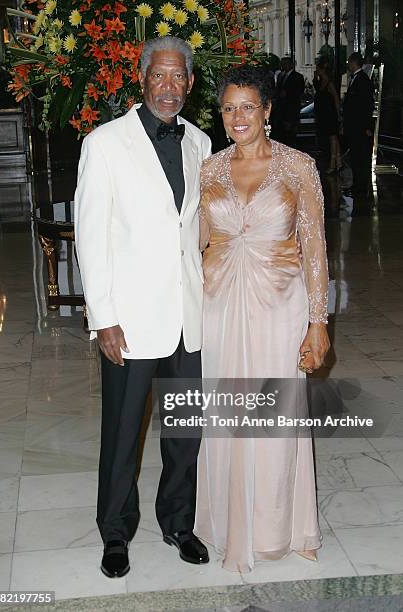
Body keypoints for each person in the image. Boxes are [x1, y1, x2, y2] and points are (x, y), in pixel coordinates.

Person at [74, 36, 211, 578]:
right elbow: (91, 236)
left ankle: (178, 521)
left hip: (188, 317)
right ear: (142, 76)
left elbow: (197, 230)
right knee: (122, 431)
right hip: (128, 320)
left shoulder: (200, 142)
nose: (169, 87)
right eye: (160, 75)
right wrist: (102, 315)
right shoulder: (105, 143)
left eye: (179, 77)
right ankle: (115, 530)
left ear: (190, 84)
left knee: (184, 429)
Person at [195, 65, 330, 573]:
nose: (237, 117)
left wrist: (318, 323)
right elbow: (196, 241)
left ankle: (283, 527)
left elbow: (315, 247)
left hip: (280, 305)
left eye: (248, 106)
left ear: (268, 110)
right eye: (229, 108)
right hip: (219, 306)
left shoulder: (299, 167)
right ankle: (231, 527)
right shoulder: (209, 169)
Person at [342, 52, 375, 196]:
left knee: (360, 157)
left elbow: (367, 105)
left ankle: (361, 187)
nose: (348, 64)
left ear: (354, 62)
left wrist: (367, 126)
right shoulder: (355, 79)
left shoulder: (363, 80)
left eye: (349, 62)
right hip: (354, 126)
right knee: (355, 157)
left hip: (360, 127)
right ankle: (356, 185)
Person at [313, 57, 342, 173]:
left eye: (317, 69)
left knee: (333, 137)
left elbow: (335, 98)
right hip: (324, 113)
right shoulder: (321, 81)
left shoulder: (329, 81)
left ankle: (333, 164)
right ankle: (338, 162)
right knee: (333, 137)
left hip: (329, 113)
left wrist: (338, 113)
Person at [273, 57, 305, 147]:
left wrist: (288, 94)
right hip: (280, 110)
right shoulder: (280, 76)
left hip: (291, 110)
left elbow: (299, 92)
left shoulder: (298, 76)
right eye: (282, 63)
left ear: (291, 64)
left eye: (285, 63)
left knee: (290, 134)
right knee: (281, 134)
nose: (283, 65)